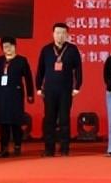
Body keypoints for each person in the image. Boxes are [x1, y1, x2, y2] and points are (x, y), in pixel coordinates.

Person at [35, 23, 83, 157]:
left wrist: (77, 86)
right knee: (49, 119)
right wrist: (38, 87)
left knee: (64, 119)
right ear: (53, 34)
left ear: (67, 35)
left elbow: (78, 69)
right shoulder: (46, 50)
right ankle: (49, 149)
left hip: (65, 90)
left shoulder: (72, 49)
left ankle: (64, 148)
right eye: (57, 33)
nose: (60, 35)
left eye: (63, 33)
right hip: (49, 90)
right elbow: (40, 69)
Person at [0, 36, 33, 158]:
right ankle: (4, 149)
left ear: (15, 46)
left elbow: (28, 78)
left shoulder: (21, 60)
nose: (7, 49)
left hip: (15, 94)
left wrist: (30, 94)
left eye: (10, 46)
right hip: (1, 94)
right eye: (5, 47)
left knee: (16, 122)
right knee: (3, 123)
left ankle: (17, 146)